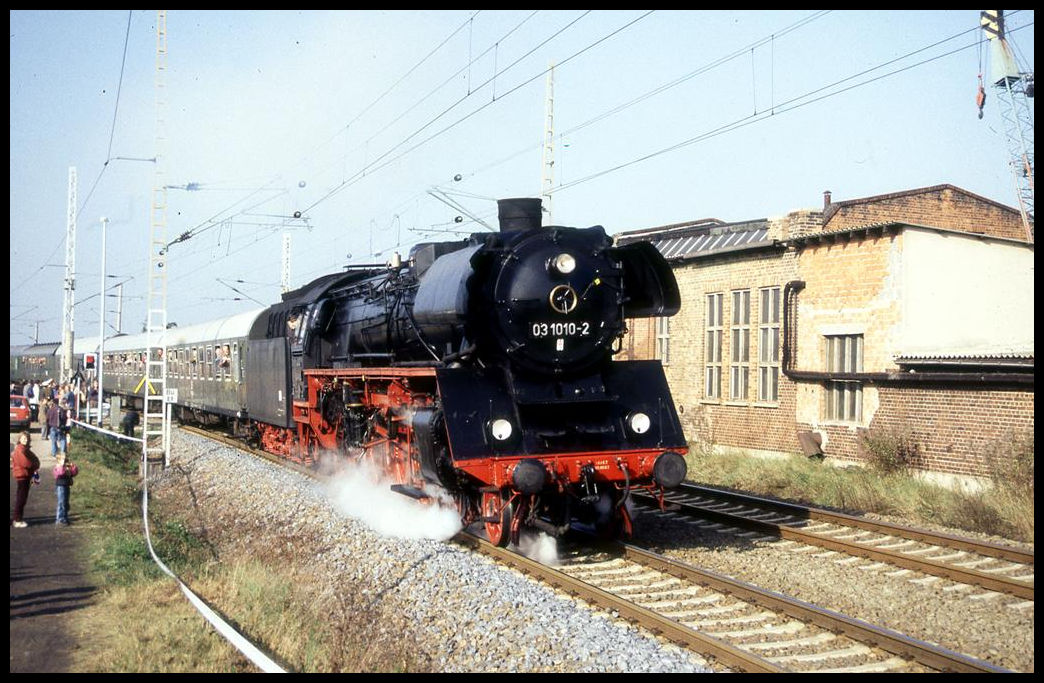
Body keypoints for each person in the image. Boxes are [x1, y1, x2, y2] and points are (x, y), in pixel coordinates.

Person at [11, 431, 41, 528]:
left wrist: (35, 463)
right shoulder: (20, 450)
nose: (26, 440)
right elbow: (26, 463)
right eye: (23, 438)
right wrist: (34, 464)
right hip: (22, 475)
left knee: (22, 498)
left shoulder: (25, 449)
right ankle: (17, 520)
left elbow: (35, 459)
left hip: (26, 475)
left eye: (27, 438)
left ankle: (17, 518)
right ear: (19, 439)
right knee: (21, 498)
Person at [52, 451, 79, 526]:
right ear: (58, 460)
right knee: (61, 502)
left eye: (66, 459)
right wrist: (61, 465)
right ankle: (60, 519)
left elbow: (74, 473)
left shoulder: (67, 467)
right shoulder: (57, 467)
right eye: (63, 459)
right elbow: (60, 473)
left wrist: (73, 467)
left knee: (66, 503)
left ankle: (65, 517)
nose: (65, 461)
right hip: (61, 486)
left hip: (67, 485)